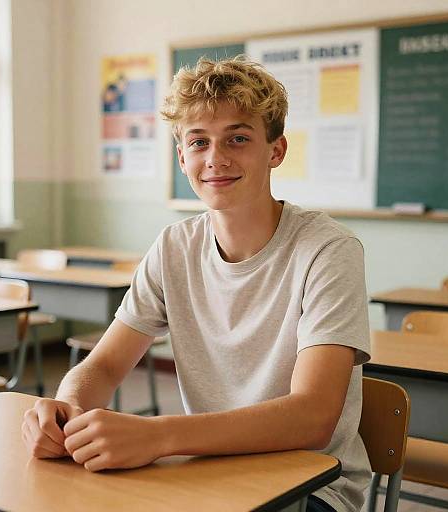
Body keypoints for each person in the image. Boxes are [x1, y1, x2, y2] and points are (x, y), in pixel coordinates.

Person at [22, 57, 371, 512]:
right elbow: (104, 367)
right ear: (182, 156)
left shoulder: (328, 250)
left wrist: (159, 435)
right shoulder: (173, 247)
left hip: (312, 485)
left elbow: (313, 417)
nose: (216, 158)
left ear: (276, 150)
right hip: (208, 469)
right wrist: (66, 409)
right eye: (199, 141)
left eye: (238, 138)